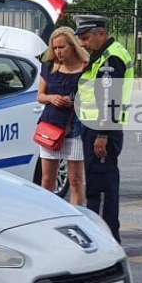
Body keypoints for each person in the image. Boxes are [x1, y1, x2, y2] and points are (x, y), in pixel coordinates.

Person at [75, 15, 134, 243]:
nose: (83, 44)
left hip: (102, 131)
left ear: (102, 34)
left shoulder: (111, 58)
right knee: (101, 186)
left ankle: (104, 240)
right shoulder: (102, 55)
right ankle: (106, 238)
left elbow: (110, 99)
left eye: (86, 38)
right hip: (96, 128)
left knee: (100, 191)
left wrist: (102, 135)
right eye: (80, 39)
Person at [37, 26, 89, 206]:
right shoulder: (49, 67)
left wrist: (74, 101)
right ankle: (46, 216)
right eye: (55, 48)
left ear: (73, 46)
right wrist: (53, 98)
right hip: (50, 127)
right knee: (47, 180)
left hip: (75, 128)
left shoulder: (85, 68)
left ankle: (77, 218)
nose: (58, 52)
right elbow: (40, 96)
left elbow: (92, 98)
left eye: (62, 47)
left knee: (76, 180)